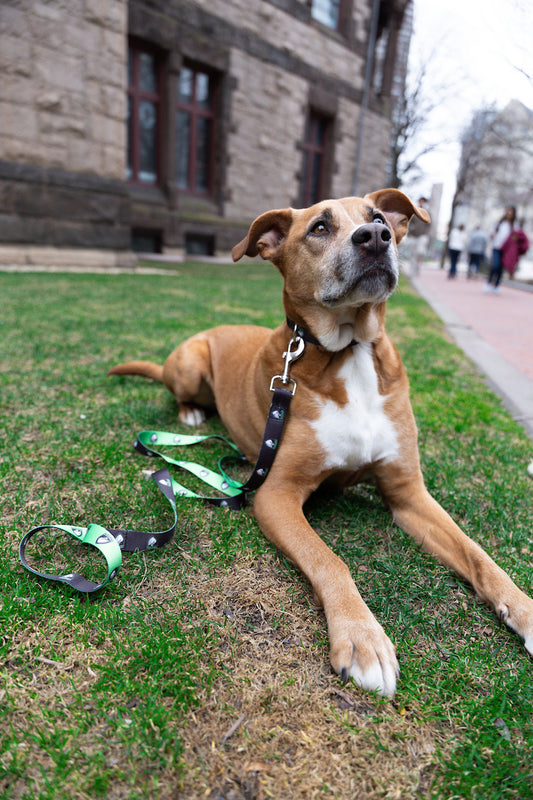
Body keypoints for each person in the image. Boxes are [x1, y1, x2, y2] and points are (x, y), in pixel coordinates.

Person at [484, 206, 517, 294]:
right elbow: (492, 233)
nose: (509, 214)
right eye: (508, 212)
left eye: (511, 213)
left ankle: (496, 286)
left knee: (500, 269)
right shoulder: (499, 223)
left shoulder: (514, 225)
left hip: (506, 250)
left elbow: (516, 237)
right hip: (496, 247)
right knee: (495, 266)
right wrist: (492, 235)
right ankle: (488, 283)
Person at [408, 196, 429, 276]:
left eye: (423, 201)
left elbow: (429, 224)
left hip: (422, 236)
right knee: (413, 253)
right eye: (420, 201)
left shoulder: (427, 212)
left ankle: (418, 267)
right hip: (413, 235)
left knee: (420, 252)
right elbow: (410, 222)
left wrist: (426, 233)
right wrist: (410, 231)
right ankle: (412, 270)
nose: (421, 202)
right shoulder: (414, 211)